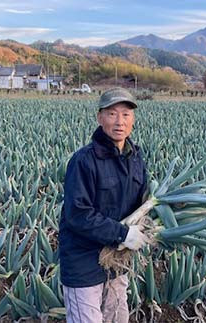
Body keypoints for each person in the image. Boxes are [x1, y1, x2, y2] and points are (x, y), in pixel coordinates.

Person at [58, 87, 150, 323]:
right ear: (100, 118)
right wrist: (123, 234)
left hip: (116, 262)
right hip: (83, 263)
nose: (119, 121)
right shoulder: (83, 161)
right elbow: (78, 214)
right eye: (112, 114)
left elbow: (143, 203)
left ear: (133, 119)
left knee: (118, 318)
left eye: (126, 114)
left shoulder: (135, 159)